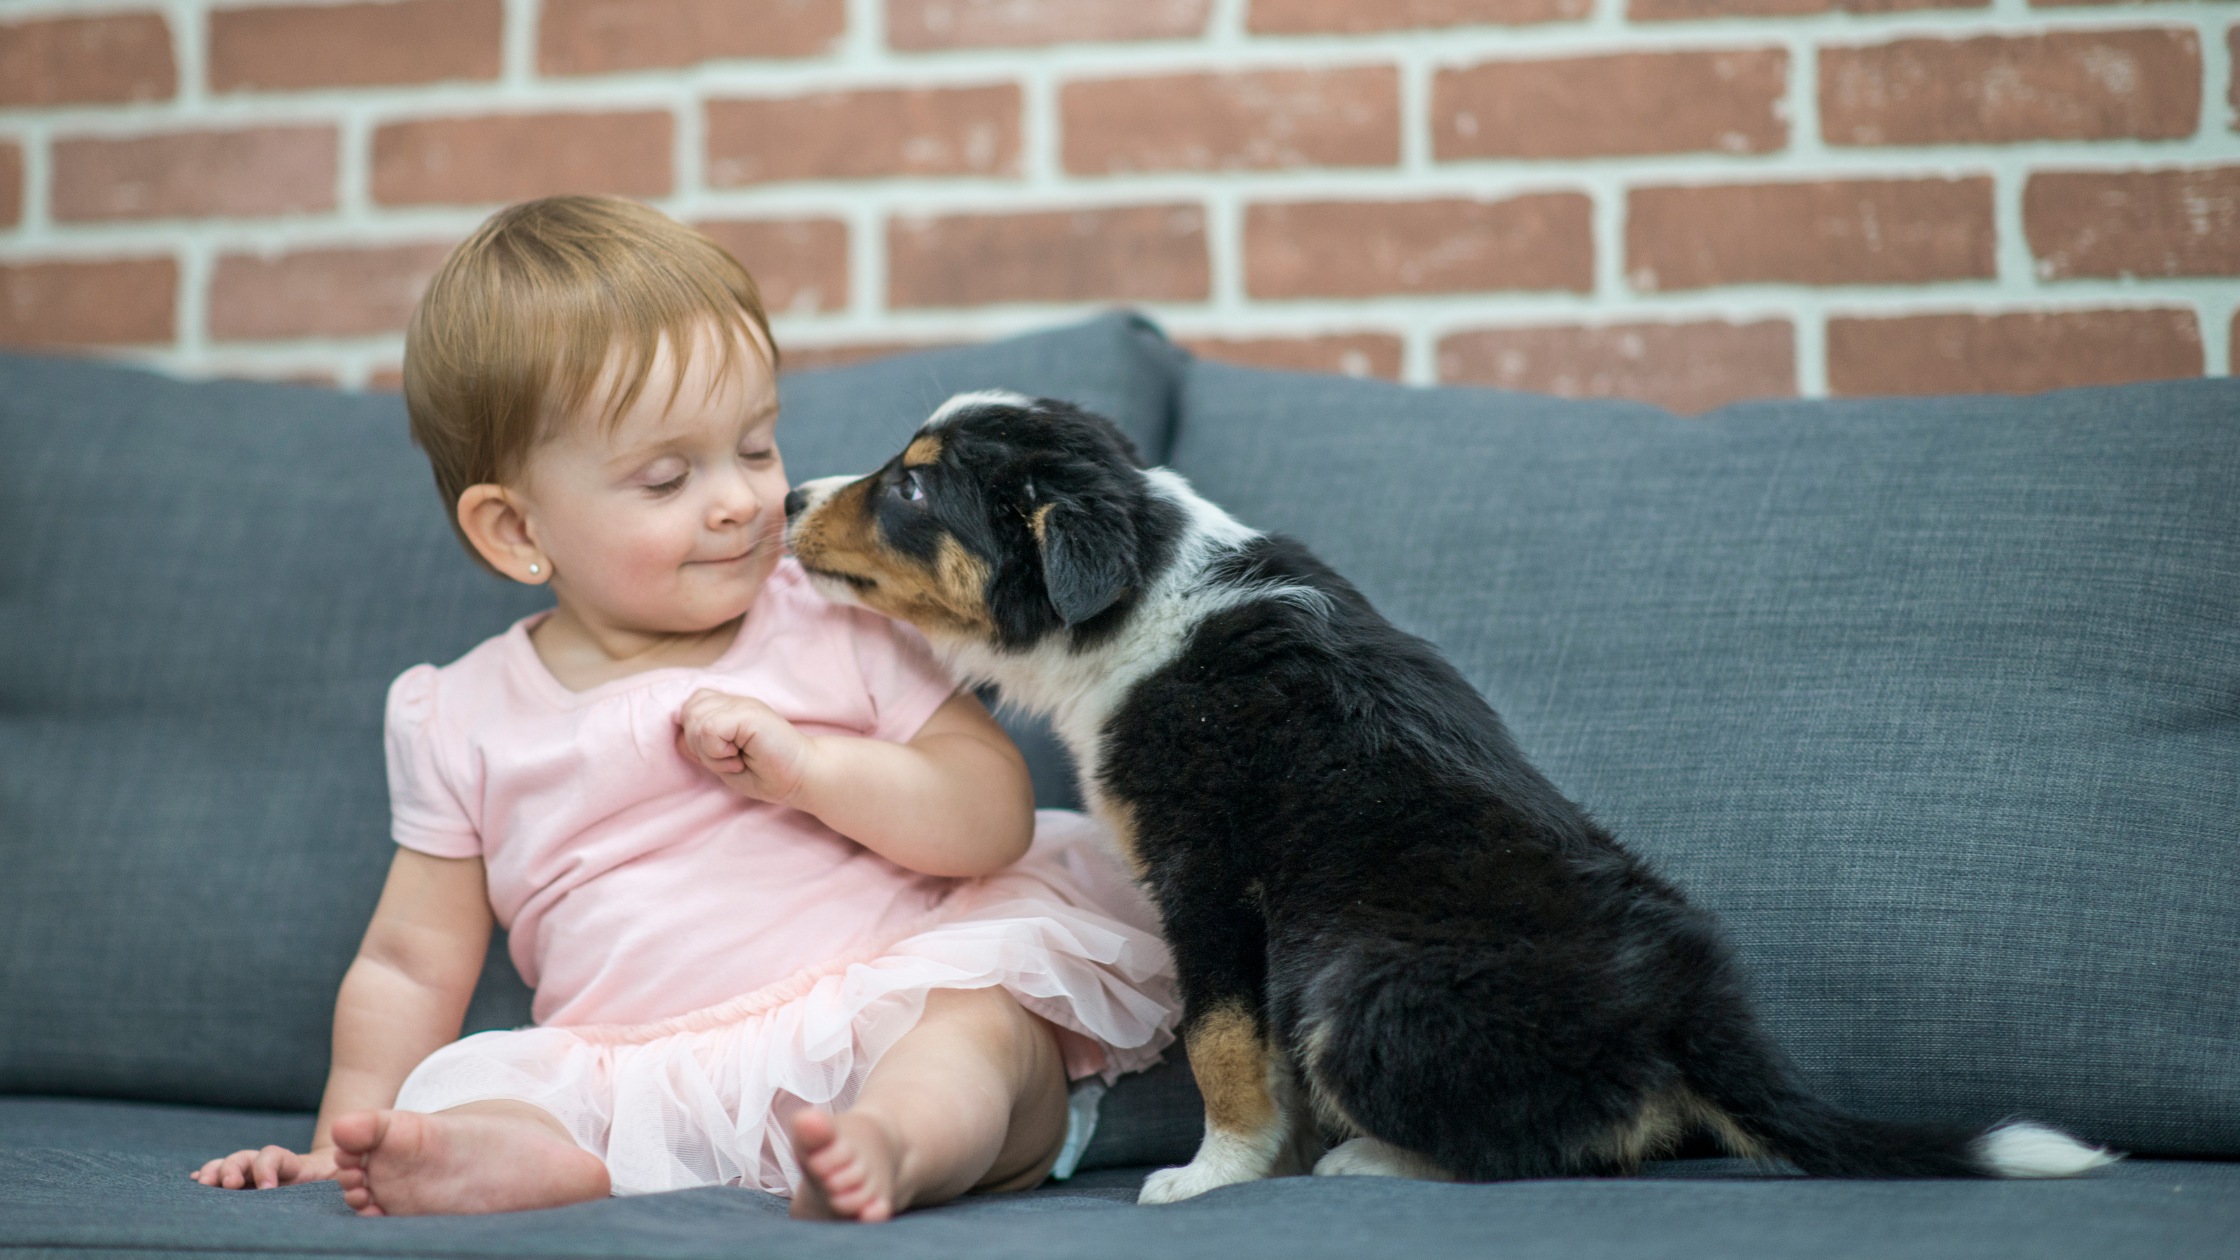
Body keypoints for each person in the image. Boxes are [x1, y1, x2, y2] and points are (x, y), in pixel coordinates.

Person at [190, 195, 1177, 1222]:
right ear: (515, 528)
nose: (741, 501)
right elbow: (406, 964)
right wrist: (332, 1136)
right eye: (668, 478)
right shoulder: (459, 716)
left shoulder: (832, 615)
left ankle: (890, 1142)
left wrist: (810, 772)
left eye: (755, 448)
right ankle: (514, 1162)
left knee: (975, 1029)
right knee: (478, 1095)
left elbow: (989, 819)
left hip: (878, 993)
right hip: (641, 1074)